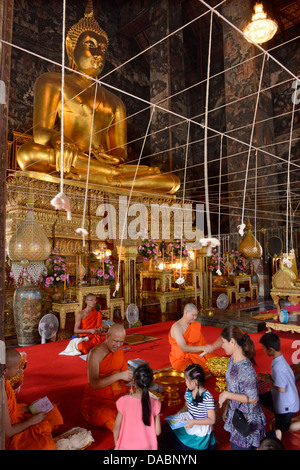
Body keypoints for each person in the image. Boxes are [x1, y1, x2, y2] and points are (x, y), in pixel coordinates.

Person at [16, 2, 180, 195]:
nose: (98, 54)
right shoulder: (52, 82)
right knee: (28, 154)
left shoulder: (115, 102)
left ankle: (102, 176)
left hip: (95, 165)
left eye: (102, 49)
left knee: (172, 182)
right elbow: (40, 133)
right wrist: (58, 139)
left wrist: (112, 160)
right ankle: (107, 178)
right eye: (90, 45)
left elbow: (120, 153)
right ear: (71, 46)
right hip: (69, 157)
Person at [4, 348, 63, 450]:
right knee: (45, 447)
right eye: (16, 368)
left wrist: (28, 409)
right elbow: (6, 433)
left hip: (14, 417)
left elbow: (10, 409)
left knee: (50, 408)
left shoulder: (4, 379)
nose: (18, 370)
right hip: (7, 435)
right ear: (5, 370)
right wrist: (31, 421)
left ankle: (42, 433)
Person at [218, 325, 266, 450]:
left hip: (246, 419)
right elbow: (232, 388)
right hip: (236, 415)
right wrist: (227, 409)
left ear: (232, 342)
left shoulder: (245, 369)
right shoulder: (231, 360)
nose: (222, 346)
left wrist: (227, 395)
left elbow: (253, 399)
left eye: (223, 342)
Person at [80, 323, 133, 431]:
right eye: (115, 341)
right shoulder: (95, 354)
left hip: (120, 392)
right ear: (107, 336)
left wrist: (132, 379)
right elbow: (94, 384)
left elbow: (124, 373)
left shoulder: (119, 352)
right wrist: (118, 376)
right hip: (100, 398)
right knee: (108, 416)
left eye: (121, 342)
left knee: (146, 397)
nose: (118, 345)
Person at [259, 332, 300, 434]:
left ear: (270, 350)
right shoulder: (279, 360)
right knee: (261, 398)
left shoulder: (278, 367)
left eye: (263, 348)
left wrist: (269, 381)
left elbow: (282, 388)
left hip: (287, 405)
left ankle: (296, 425)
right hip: (287, 399)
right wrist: (269, 378)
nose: (263, 350)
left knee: (281, 432)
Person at [113, 364, 161, 450]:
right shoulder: (156, 403)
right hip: (147, 447)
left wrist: (117, 445)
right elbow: (157, 432)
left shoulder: (123, 401)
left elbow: (116, 427)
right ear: (151, 382)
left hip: (126, 447)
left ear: (134, 383)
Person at [169, 363, 216, 450]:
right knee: (171, 435)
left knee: (187, 446)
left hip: (200, 426)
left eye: (186, 380)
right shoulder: (189, 390)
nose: (185, 382)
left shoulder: (207, 397)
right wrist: (182, 410)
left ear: (194, 382)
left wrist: (194, 422)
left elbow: (212, 419)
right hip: (189, 422)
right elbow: (187, 403)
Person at [168, 303, 215, 372]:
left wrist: (205, 348)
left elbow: (200, 342)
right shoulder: (177, 327)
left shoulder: (194, 325)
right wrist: (203, 348)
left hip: (196, 354)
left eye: (196, 315)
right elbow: (184, 348)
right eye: (193, 315)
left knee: (215, 362)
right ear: (186, 312)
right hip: (181, 358)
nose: (195, 318)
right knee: (194, 372)